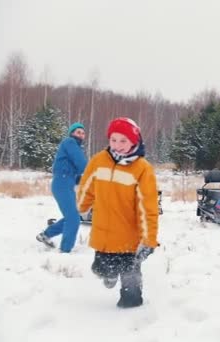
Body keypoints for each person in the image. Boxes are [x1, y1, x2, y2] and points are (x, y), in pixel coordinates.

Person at [77, 117, 159, 308]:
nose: (118, 145)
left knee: (130, 274)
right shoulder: (99, 161)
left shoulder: (142, 169)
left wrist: (148, 239)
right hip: (104, 232)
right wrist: (81, 206)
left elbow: (148, 207)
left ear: (134, 141)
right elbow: (87, 186)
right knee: (103, 270)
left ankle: (131, 306)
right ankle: (110, 275)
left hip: (129, 236)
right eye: (114, 140)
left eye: (123, 140)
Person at [36, 122, 88, 252]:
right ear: (72, 133)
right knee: (73, 218)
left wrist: (82, 179)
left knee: (72, 216)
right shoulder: (70, 142)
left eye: (83, 132)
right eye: (78, 132)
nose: (81, 134)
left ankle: (46, 235)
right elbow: (81, 163)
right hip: (62, 183)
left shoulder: (73, 147)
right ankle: (65, 250)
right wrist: (91, 172)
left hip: (66, 183)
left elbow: (74, 172)